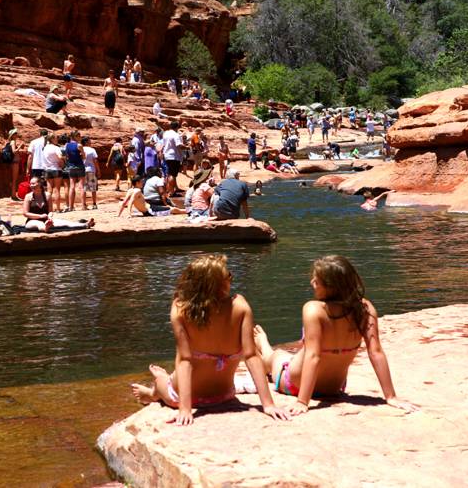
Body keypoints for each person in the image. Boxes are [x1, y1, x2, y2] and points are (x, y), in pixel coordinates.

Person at [131, 255, 290, 425]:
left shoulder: (180, 308)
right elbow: (251, 356)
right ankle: (157, 386)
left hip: (179, 398)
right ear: (217, 284)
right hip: (224, 396)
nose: (231, 278)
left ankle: (154, 390)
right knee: (172, 376)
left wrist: (185, 409)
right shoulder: (240, 305)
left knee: (163, 382)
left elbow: (185, 360)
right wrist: (268, 405)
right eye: (228, 275)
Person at [255, 256, 417, 415]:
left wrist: (302, 401)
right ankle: (265, 344)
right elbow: (376, 352)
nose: (312, 283)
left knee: (277, 355)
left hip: (293, 384)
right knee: (290, 354)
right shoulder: (364, 309)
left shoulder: (314, 309)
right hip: (334, 388)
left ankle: (263, 344)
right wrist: (391, 396)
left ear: (331, 287)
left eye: (316, 281)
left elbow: (313, 356)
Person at [23, 177, 95, 231]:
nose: (31, 185)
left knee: (66, 223)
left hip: (46, 220)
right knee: (39, 224)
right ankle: (45, 228)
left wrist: (50, 216)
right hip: (32, 221)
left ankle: (85, 224)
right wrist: (40, 216)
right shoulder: (28, 196)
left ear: (40, 184)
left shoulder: (47, 195)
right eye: (31, 184)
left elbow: (50, 211)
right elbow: (25, 213)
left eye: (33, 183)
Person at [117, 175, 186, 217]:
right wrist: (129, 214)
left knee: (172, 209)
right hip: (150, 211)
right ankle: (188, 211)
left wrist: (118, 214)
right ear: (137, 183)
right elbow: (131, 202)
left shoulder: (130, 190)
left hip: (149, 209)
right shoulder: (137, 191)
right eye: (141, 182)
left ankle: (187, 210)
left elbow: (124, 202)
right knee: (173, 210)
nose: (142, 183)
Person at [64, 130, 87, 211]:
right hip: (80, 166)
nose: (80, 137)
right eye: (79, 136)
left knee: (72, 186)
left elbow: (66, 157)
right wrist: (81, 155)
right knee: (81, 186)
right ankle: (83, 206)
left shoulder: (66, 145)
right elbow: (84, 157)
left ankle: (70, 206)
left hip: (71, 167)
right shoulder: (79, 145)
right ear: (76, 136)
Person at [43, 133, 64, 212]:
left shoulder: (45, 148)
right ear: (51, 139)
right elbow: (60, 157)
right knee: (57, 190)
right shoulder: (56, 148)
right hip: (56, 169)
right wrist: (62, 162)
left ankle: (48, 208)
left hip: (47, 170)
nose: (57, 139)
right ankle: (58, 208)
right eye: (56, 138)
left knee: (49, 190)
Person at [162, 121, 185, 195]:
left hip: (167, 155)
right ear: (177, 127)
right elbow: (178, 145)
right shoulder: (176, 135)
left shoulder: (165, 133)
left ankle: (172, 189)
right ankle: (171, 192)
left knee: (170, 173)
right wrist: (187, 147)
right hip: (174, 156)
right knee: (172, 174)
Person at [5, 129, 24, 201]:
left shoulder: (10, 142)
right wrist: (20, 146)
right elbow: (14, 152)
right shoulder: (13, 142)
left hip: (14, 162)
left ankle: (13, 194)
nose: (17, 134)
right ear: (12, 135)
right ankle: (13, 195)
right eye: (15, 133)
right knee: (14, 179)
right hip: (15, 162)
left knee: (14, 179)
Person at [81, 136, 100, 209]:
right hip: (91, 169)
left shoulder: (80, 149)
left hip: (82, 170)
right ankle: (94, 204)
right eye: (89, 140)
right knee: (93, 188)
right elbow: (95, 161)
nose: (90, 142)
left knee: (83, 188)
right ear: (86, 142)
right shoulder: (92, 150)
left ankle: (84, 205)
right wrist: (98, 170)